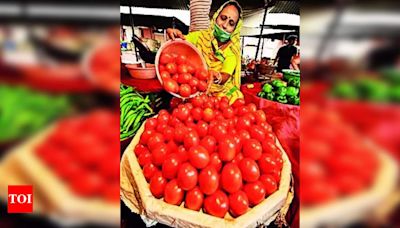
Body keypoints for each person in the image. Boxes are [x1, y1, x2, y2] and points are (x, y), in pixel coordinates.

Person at [167, 0, 244, 103]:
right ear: (216, 17)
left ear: (235, 29)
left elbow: (225, 76)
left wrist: (217, 76)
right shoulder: (200, 36)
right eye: (223, 18)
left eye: (231, 23)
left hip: (220, 94)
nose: (224, 25)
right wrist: (174, 34)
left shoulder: (232, 51)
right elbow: (182, 42)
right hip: (195, 88)